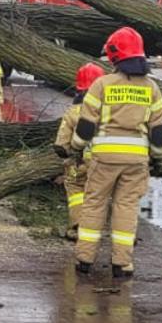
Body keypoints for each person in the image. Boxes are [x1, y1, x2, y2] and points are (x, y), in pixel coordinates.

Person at [73, 27, 162, 278]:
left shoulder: (101, 85)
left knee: (94, 204)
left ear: (115, 56)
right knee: (126, 207)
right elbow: (159, 131)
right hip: (137, 161)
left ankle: (84, 259)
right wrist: (158, 157)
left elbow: (85, 125)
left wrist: (76, 147)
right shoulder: (152, 89)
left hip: (104, 158)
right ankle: (122, 264)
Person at [54, 63, 104, 240]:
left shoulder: (73, 112)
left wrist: (67, 156)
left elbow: (61, 145)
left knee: (74, 186)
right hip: (107, 163)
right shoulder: (111, 110)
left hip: (82, 162)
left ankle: (77, 227)